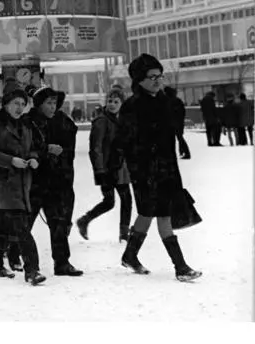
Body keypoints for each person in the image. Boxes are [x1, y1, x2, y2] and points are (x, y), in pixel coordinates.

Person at [115, 54, 201, 282]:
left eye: (159, 75)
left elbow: (173, 133)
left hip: (168, 169)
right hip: (144, 172)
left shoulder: (166, 102)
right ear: (139, 80)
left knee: (146, 214)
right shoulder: (131, 107)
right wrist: (140, 165)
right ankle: (180, 267)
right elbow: (124, 142)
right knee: (162, 215)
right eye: (151, 77)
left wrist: (180, 146)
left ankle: (130, 255)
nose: (157, 80)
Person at [0, 87, 45, 285]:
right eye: (16, 103)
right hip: (3, 182)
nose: (19, 107)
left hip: (23, 181)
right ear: (6, 104)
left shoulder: (25, 126)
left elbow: (34, 148)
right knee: (21, 226)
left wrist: (33, 159)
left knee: (5, 223)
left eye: (23, 104)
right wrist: (10, 161)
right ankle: (32, 269)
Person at [25, 86, 83, 277]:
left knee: (57, 223)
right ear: (39, 104)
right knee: (24, 223)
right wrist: (45, 150)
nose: (52, 106)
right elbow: (24, 148)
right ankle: (12, 256)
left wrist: (61, 154)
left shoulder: (64, 122)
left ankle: (62, 262)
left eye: (54, 103)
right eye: (48, 103)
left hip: (56, 181)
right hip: (33, 180)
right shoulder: (29, 122)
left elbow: (69, 151)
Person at [76, 89, 133, 242]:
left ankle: (123, 233)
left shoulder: (121, 120)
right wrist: (100, 170)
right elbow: (96, 148)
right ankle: (85, 220)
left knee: (124, 200)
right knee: (110, 202)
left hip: (120, 167)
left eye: (116, 102)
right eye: (110, 101)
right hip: (107, 168)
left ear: (122, 104)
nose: (112, 104)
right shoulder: (102, 121)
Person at [163, 87, 191, 159]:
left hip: (171, 123)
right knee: (180, 138)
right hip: (178, 122)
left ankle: (177, 154)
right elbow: (182, 112)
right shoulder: (177, 100)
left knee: (172, 139)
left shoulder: (167, 101)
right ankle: (184, 152)